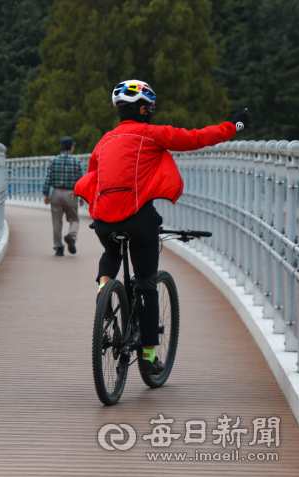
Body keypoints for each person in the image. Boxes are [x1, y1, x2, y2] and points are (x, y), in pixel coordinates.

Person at [74, 79, 251, 375]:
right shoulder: (153, 134)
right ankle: (148, 353)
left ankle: (104, 287)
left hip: (104, 219)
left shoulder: (103, 141)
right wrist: (235, 126)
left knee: (113, 248)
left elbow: (94, 174)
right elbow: (196, 138)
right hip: (138, 219)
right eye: (150, 109)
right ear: (143, 110)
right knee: (146, 283)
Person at [42, 136, 86, 256]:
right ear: (71, 147)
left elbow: (48, 179)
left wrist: (46, 194)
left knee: (57, 222)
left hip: (56, 193)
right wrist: (82, 196)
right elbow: (81, 180)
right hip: (71, 193)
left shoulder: (53, 161)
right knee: (74, 219)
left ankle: (58, 247)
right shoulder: (76, 161)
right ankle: (71, 236)